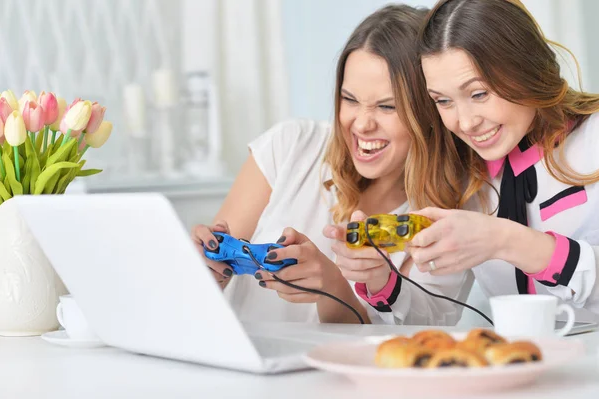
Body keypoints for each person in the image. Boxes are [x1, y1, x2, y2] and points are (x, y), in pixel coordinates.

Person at [192, 4, 473, 325]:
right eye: (350, 99)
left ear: (429, 112)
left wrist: (333, 287)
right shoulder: (291, 145)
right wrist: (208, 269)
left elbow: (404, 345)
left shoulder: (455, 212)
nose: (362, 124)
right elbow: (207, 285)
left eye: (387, 106)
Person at [404, 0, 599, 316]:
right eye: (443, 101)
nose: (465, 123)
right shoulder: (464, 178)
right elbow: (434, 310)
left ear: (525, 68)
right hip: (518, 362)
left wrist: (506, 240)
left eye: (479, 94)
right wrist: (379, 283)